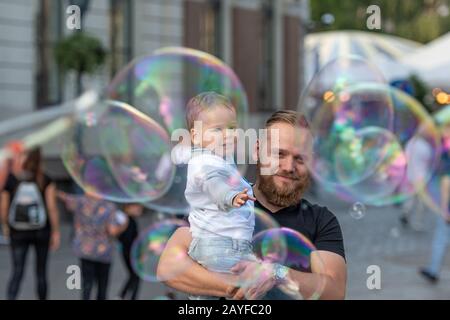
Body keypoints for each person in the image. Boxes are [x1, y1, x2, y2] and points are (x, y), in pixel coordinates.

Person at [157, 110, 347, 300]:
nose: (289, 167)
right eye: (279, 154)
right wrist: (240, 286)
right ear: (257, 151)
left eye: (300, 158)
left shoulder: (321, 220)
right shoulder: (218, 199)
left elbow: (334, 290)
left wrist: (276, 274)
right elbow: (169, 266)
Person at [182, 92, 256, 300]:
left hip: (226, 243)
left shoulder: (220, 157)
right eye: (217, 130)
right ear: (196, 136)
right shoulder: (204, 162)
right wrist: (231, 197)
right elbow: (214, 184)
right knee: (245, 292)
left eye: (232, 128)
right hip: (220, 245)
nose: (228, 135)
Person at [0, 148, 60, 300]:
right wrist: (56, 232)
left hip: (17, 231)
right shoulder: (45, 179)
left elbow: (4, 206)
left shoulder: (13, 179)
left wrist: (6, 226)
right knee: (41, 271)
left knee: (17, 271)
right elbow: (52, 208)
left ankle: (11, 297)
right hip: (41, 231)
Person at [58, 190, 128, 300]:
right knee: (102, 287)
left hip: (85, 250)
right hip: (103, 252)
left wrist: (54, 191)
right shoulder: (108, 207)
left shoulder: (80, 202)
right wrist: (124, 224)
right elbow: (113, 231)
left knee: (87, 284)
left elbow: (65, 197)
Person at [419, 124, 450, 283]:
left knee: (441, 237)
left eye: (445, 129)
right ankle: (433, 269)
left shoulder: (446, 153)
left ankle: (433, 270)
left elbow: (446, 182)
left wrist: (444, 208)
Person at [117, 203, 143, 300]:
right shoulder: (128, 221)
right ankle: (124, 296)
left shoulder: (129, 220)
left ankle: (121, 295)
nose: (140, 208)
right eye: (136, 206)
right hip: (130, 253)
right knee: (136, 275)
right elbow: (127, 239)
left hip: (128, 252)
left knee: (134, 275)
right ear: (127, 208)